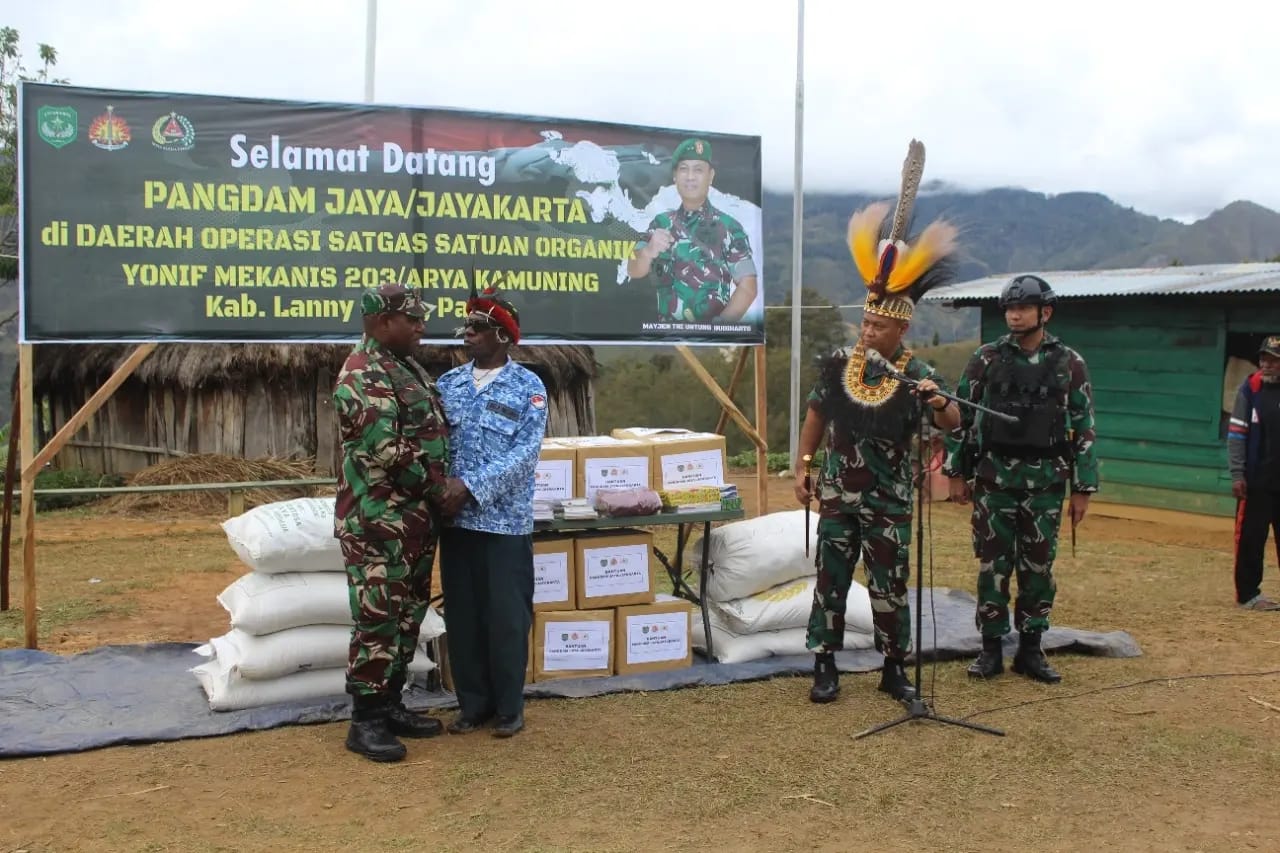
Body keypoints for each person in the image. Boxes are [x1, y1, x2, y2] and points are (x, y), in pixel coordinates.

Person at [793, 138, 962, 706]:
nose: (867, 332)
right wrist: (805, 464)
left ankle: (894, 668)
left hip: (891, 500)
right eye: (864, 324)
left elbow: (955, 422)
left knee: (891, 587)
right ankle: (825, 664)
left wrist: (938, 402)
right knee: (830, 582)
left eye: (877, 327)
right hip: (840, 495)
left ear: (901, 331)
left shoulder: (920, 375)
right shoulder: (840, 365)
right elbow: (817, 412)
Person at [943, 274, 1099, 684]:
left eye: (1023, 308)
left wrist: (1083, 488)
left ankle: (1031, 650)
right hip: (994, 480)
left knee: (1038, 569)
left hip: (1047, 483)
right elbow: (962, 416)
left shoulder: (1070, 363)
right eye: (1010, 308)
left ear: (1044, 312)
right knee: (993, 566)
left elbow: (1083, 426)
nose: (1014, 315)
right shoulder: (987, 359)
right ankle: (991, 649)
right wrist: (956, 473)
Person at [333, 283, 459, 763]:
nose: (421, 326)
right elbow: (385, 448)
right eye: (413, 319)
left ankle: (391, 705)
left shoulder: (402, 366)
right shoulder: (362, 373)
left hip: (412, 522)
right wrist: (438, 488)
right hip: (378, 521)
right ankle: (365, 721)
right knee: (378, 619)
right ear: (383, 322)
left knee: (407, 615)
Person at [436, 284, 548, 738]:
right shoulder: (448, 385)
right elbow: (435, 445)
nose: (468, 334)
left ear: (502, 335)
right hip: (457, 523)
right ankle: (472, 705)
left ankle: (508, 708)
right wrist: (441, 488)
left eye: (478, 328)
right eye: (466, 326)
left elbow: (525, 454)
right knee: (463, 617)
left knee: (506, 617)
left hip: (503, 523)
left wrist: (471, 486)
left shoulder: (529, 386)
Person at [626, 137, 758, 323]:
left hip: (713, 337)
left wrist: (721, 326)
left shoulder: (729, 227)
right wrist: (648, 252)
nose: (690, 177)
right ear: (675, 176)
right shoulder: (660, 223)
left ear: (710, 176)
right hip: (666, 334)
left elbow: (748, 286)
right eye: (683, 169)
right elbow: (634, 270)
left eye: (698, 170)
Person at [1228, 335, 1280, 610]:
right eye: (1264, 358)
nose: (1267, 364)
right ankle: (1249, 595)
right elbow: (1236, 435)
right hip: (1255, 482)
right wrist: (1237, 474)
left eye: (1273, 359)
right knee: (1250, 539)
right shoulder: (1251, 389)